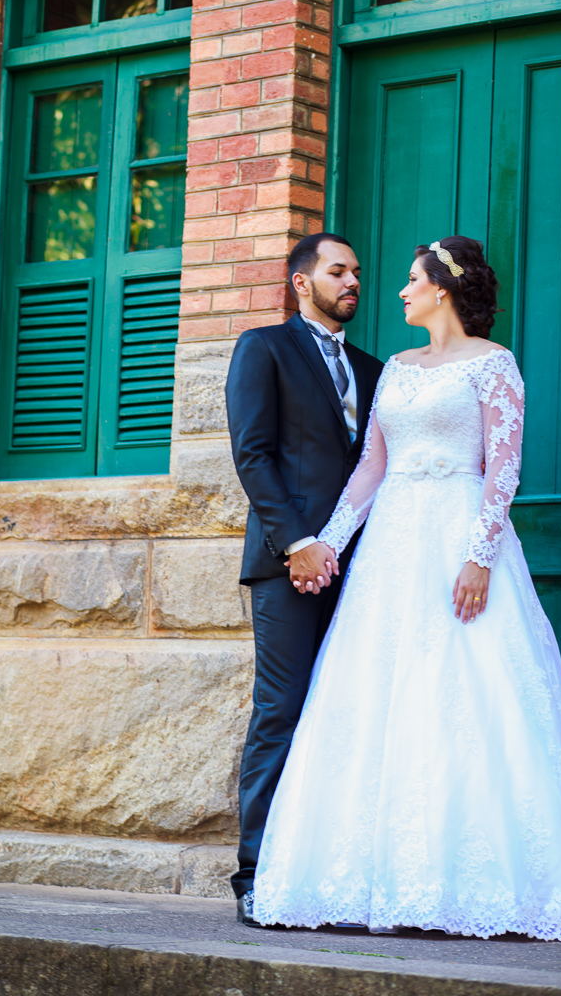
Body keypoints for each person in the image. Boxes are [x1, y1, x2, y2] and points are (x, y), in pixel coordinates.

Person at [251, 235, 561, 941]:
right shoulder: (393, 368)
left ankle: (475, 884)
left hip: (458, 535)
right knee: (380, 695)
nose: (397, 292)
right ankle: (370, 881)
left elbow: (503, 468)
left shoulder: (495, 365)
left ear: (443, 290)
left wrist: (480, 555)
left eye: (410, 281)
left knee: (469, 693)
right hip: (392, 547)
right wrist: (328, 543)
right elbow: (370, 470)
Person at [225, 232, 385, 926]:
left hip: (364, 567)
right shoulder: (262, 349)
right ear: (301, 282)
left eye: (357, 272)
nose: (353, 281)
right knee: (281, 712)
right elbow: (252, 453)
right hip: (289, 566)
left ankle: (329, 871)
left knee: (349, 717)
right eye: (338, 271)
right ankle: (256, 873)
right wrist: (297, 542)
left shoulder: (377, 370)